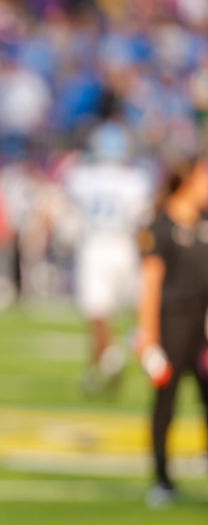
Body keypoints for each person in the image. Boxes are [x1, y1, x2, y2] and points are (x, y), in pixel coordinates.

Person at [136, 155, 208, 507]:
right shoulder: (161, 225)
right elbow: (150, 285)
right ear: (192, 177)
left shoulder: (205, 222)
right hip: (172, 325)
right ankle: (163, 478)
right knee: (167, 401)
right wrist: (148, 337)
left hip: (202, 325)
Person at [64, 120, 152, 394]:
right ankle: (98, 369)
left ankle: (112, 356)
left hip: (96, 245)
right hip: (124, 247)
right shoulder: (135, 180)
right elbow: (142, 221)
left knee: (97, 312)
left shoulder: (82, 177)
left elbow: (71, 216)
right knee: (114, 312)